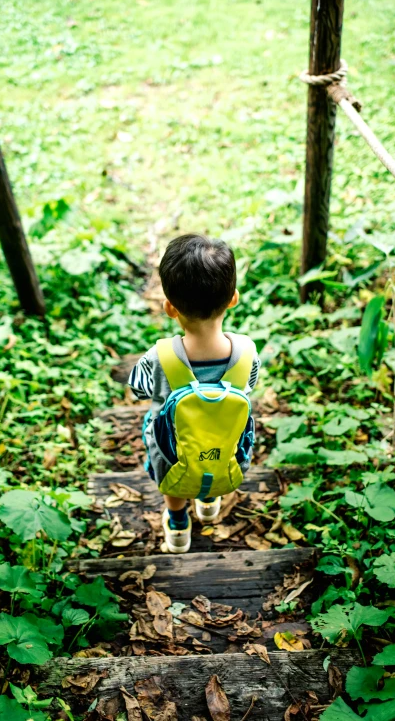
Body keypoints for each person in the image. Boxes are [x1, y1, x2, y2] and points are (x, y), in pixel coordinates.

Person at [128, 234, 261, 553]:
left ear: (169, 308)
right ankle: (209, 501)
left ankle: (177, 525)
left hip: (173, 451)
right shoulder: (246, 352)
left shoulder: (159, 357)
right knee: (211, 456)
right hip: (223, 448)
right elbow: (250, 386)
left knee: (173, 475)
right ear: (233, 299)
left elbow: (137, 388)